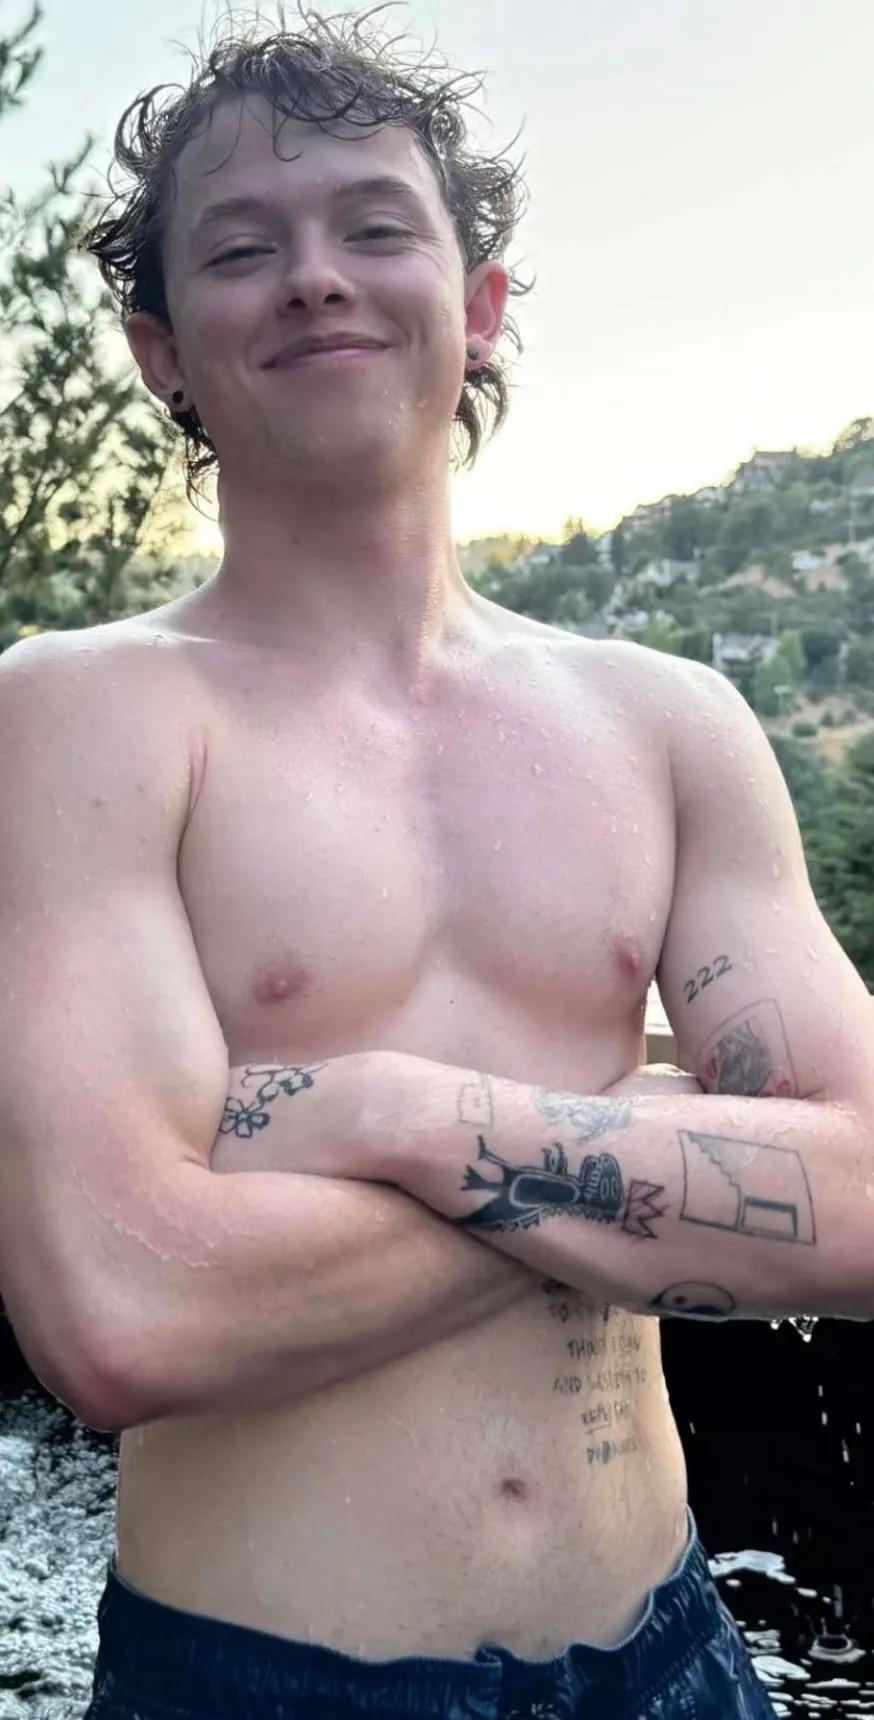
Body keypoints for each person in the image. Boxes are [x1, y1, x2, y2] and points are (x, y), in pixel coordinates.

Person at [1, 8, 871, 1719]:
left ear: (477, 305)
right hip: (262, 1684)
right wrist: (636, 1141)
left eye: (373, 226)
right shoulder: (78, 718)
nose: (316, 277)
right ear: (161, 351)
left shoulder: (667, 722)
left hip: (673, 1660)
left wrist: (400, 1114)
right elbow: (124, 1314)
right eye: (241, 249)